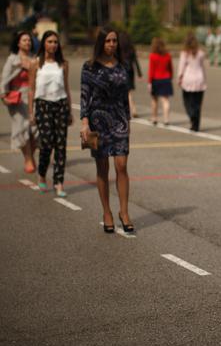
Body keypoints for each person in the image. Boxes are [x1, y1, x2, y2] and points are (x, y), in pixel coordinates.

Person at [80, 26, 134, 234]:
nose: (112, 44)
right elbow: (85, 97)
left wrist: (128, 121)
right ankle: (107, 212)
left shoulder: (123, 66)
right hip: (97, 120)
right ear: (101, 43)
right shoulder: (89, 67)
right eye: (108, 41)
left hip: (119, 119)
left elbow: (125, 97)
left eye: (114, 41)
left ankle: (124, 212)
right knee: (103, 168)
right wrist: (85, 123)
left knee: (122, 165)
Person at [27, 31, 72, 197]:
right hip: (42, 106)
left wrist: (69, 111)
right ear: (43, 44)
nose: (53, 45)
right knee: (46, 143)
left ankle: (59, 182)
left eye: (55, 42)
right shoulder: (35, 64)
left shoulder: (63, 64)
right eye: (50, 41)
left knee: (61, 145)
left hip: (60, 105)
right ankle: (42, 173)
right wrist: (31, 112)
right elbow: (31, 89)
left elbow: (66, 88)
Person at [1, 30, 37, 173]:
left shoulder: (35, 58)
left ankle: (30, 155)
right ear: (18, 43)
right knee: (22, 128)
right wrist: (4, 95)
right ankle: (28, 159)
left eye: (29, 40)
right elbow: (4, 79)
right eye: (24, 40)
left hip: (34, 96)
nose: (27, 42)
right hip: (18, 98)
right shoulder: (12, 59)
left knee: (35, 130)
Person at [178, 32, 207, 131]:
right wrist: (204, 78)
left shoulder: (184, 53)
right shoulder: (201, 53)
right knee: (198, 103)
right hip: (199, 78)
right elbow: (202, 67)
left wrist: (179, 77)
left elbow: (181, 67)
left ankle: (192, 115)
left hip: (188, 79)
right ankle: (196, 125)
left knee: (187, 102)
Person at [148, 37, 173, 126]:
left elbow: (151, 70)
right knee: (165, 100)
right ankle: (166, 119)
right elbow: (170, 68)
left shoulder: (152, 56)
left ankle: (154, 118)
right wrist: (171, 77)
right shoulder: (167, 55)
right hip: (166, 78)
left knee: (154, 100)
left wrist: (149, 82)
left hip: (156, 79)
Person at [118, 31, 142, 118]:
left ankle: (132, 109)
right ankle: (131, 109)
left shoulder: (119, 48)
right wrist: (139, 74)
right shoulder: (131, 48)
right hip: (130, 71)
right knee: (128, 91)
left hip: (121, 71)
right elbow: (135, 61)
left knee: (125, 92)